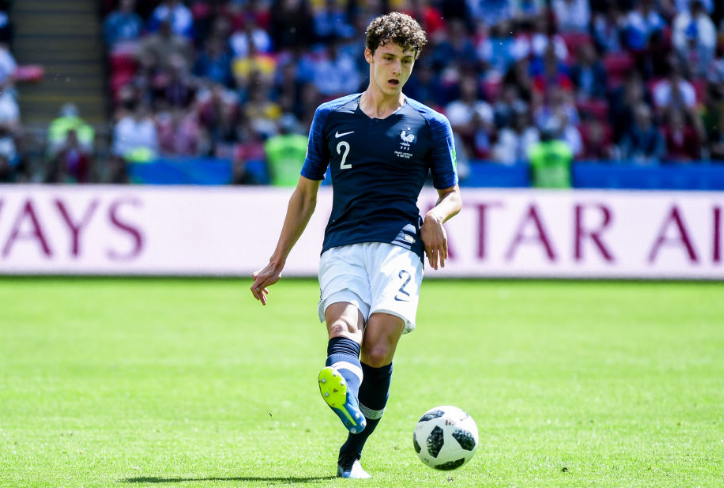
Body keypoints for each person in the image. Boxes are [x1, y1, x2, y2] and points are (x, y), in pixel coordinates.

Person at [250, 12, 461, 479]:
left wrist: (435, 216)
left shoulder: (431, 124)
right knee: (343, 327)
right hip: (341, 245)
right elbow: (304, 195)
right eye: (388, 58)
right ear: (368, 55)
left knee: (378, 350)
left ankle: (352, 450)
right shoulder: (331, 116)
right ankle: (341, 382)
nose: (397, 69)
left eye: (407, 61)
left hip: (399, 246)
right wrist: (277, 259)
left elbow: (453, 195)